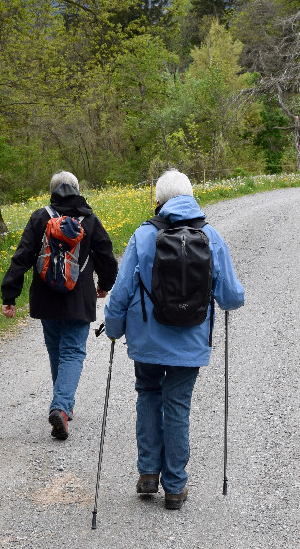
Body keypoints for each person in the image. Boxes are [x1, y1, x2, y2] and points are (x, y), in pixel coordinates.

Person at [103, 169, 244, 511]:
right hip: (189, 342)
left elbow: (121, 291)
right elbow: (232, 297)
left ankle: (149, 473)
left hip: (147, 341)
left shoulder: (142, 236)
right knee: (177, 406)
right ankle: (176, 488)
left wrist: (113, 327)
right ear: (191, 197)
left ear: (159, 201)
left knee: (148, 395)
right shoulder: (210, 236)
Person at [1, 171, 118, 440]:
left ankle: (63, 404)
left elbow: (22, 257)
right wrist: (105, 285)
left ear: (52, 191)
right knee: (73, 352)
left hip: (46, 297)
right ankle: (62, 406)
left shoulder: (40, 217)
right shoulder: (88, 218)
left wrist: (10, 295)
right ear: (77, 189)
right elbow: (106, 255)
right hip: (78, 297)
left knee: (56, 349)